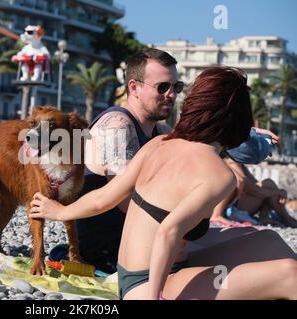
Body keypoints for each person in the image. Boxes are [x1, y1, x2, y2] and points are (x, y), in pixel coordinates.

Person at [30, 66, 297, 300]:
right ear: (237, 120)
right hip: (151, 285)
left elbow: (104, 198)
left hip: (145, 270)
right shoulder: (220, 175)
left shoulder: (160, 143)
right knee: (289, 274)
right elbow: (168, 232)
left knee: (270, 240)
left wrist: (61, 211)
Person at [70, 48, 277, 274]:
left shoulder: (161, 130)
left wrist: (246, 132)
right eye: (162, 87)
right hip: (112, 252)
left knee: (254, 238)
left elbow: (205, 138)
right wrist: (182, 229)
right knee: (247, 255)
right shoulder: (117, 126)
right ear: (133, 87)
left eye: (176, 87)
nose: (171, 94)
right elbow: (126, 203)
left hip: (148, 239)